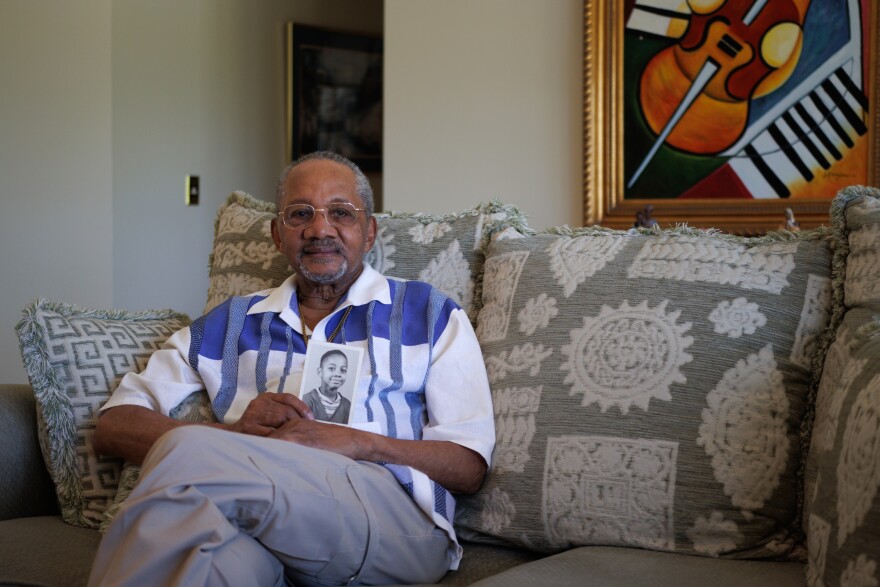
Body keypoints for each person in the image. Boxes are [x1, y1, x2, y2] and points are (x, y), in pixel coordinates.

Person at [87, 151, 495, 587]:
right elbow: (115, 424)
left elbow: (468, 465)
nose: (320, 229)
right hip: (255, 523)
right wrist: (236, 441)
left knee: (185, 448)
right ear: (278, 235)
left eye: (341, 213)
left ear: (369, 231)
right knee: (205, 566)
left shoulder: (429, 314)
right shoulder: (230, 323)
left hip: (393, 521)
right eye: (301, 214)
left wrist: (357, 443)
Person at [302, 349, 352, 424]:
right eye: (331, 368)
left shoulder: (347, 405)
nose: (338, 374)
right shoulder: (306, 400)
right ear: (320, 372)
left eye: (343, 370)